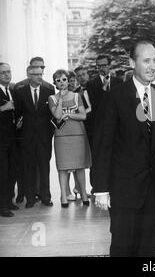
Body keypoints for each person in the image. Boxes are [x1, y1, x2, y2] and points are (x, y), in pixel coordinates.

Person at [93, 41, 155, 257]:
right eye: (146, 60)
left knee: (147, 247)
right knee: (123, 245)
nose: (152, 66)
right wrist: (101, 188)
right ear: (133, 62)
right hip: (123, 188)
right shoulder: (114, 97)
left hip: (151, 187)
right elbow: (103, 145)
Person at [48, 70, 90, 207]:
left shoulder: (77, 96)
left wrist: (70, 115)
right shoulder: (52, 98)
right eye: (58, 80)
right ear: (55, 83)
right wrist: (60, 99)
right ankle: (64, 197)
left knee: (79, 167)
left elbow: (83, 116)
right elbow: (58, 115)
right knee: (63, 168)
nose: (62, 83)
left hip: (78, 135)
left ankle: (84, 195)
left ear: (68, 81)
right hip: (61, 137)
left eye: (64, 79)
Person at [14, 65, 55, 208]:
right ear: (28, 75)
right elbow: (18, 115)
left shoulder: (49, 91)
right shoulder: (20, 92)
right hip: (27, 138)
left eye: (41, 74)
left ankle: (46, 197)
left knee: (45, 168)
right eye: (36, 74)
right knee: (29, 168)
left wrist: (50, 133)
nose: (40, 77)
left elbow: (52, 115)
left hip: (44, 137)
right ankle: (30, 198)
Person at [86, 55, 122, 189]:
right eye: (99, 65)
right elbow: (96, 105)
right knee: (98, 157)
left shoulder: (119, 81)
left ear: (109, 65)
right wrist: (104, 88)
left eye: (104, 65)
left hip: (116, 126)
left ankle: (115, 184)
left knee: (115, 156)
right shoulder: (92, 83)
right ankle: (97, 186)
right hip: (99, 126)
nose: (102, 68)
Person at [0, 62, 19, 217]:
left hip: (12, 137)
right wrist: (2, 108)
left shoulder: (11, 90)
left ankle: (8, 200)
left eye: (8, 71)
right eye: (3, 72)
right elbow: (6, 108)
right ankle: (2, 205)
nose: (7, 74)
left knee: (12, 170)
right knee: (2, 172)